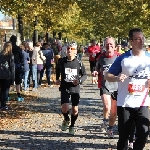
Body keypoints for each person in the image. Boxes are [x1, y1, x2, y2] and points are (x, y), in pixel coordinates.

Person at [105, 28, 150, 150]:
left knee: (144, 133)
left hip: (142, 103)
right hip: (125, 103)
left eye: (143, 38)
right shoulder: (123, 59)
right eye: (138, 39)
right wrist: (117, 77)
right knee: (124, 137)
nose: (141, 41)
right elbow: (107, 75)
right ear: (131, 41)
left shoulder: (149, 58)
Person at [56, 42, 87, 135]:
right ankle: (66, 119)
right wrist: (57, 79)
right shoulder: (61, 61)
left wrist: (80, 81)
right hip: (65, 86)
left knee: (75, 110)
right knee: (65, 107)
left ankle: (72, 125)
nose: (69, 50)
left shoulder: (79, 62)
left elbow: (85, 75)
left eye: (72, 49)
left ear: (75, 51)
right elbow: (57, 69)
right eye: (68, 48)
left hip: (75, 88)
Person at [94, 37, 118, 138]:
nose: (109, 46)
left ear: (115, 46)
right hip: (105, 85)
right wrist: (95, 72)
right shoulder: (101, 58)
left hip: (117, 87)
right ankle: (105, 120)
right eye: (107, 44)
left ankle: (110, 128)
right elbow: (97, 68)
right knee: (107, 106)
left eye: (111, 44)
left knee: (114, 111)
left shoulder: (119, 57)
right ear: (104, 46)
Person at [0, 42, 15, 110]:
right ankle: (4, 104)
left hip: (0, 74)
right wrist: (13, 78)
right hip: (7, 75)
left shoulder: (0, 54)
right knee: (5, 90)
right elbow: (12, 67)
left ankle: (1, 104)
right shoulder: (10, 55)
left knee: (1, 90)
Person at [10, 35, 24, 101]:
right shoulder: (18, 48)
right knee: (18, 81)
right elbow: (21, 57)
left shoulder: (8, 48)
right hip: (17, 66)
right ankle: (18, 95)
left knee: (9, 80)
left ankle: (7, 95)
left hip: (10, 66)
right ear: (16, 40)